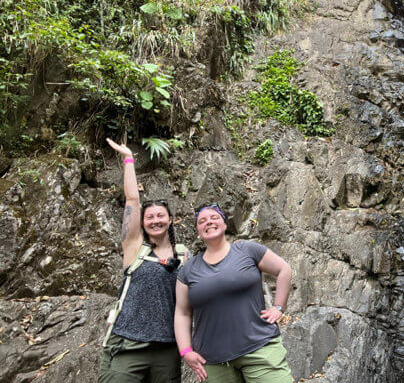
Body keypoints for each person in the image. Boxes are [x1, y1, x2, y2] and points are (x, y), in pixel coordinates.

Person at [98, 138, 188, 383]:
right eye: (149, 217)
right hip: (128, 342)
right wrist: (128, 159)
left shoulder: (183, 254)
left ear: (171, 220)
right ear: (143, 222)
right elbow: (132, 201)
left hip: (167, 347)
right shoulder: (134, 246)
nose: (155, 220)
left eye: (161, 215)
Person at [174, 203, 293, 383]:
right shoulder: (188, 271)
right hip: (213, 362)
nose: (209, 223)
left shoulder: (247, 250)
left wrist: (278, 307)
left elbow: (284, 269)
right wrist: (185, 351)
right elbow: (182, 313)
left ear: (224, 224)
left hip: (260, 348)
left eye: (214, 218)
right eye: (202, 221)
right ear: (198, 230)